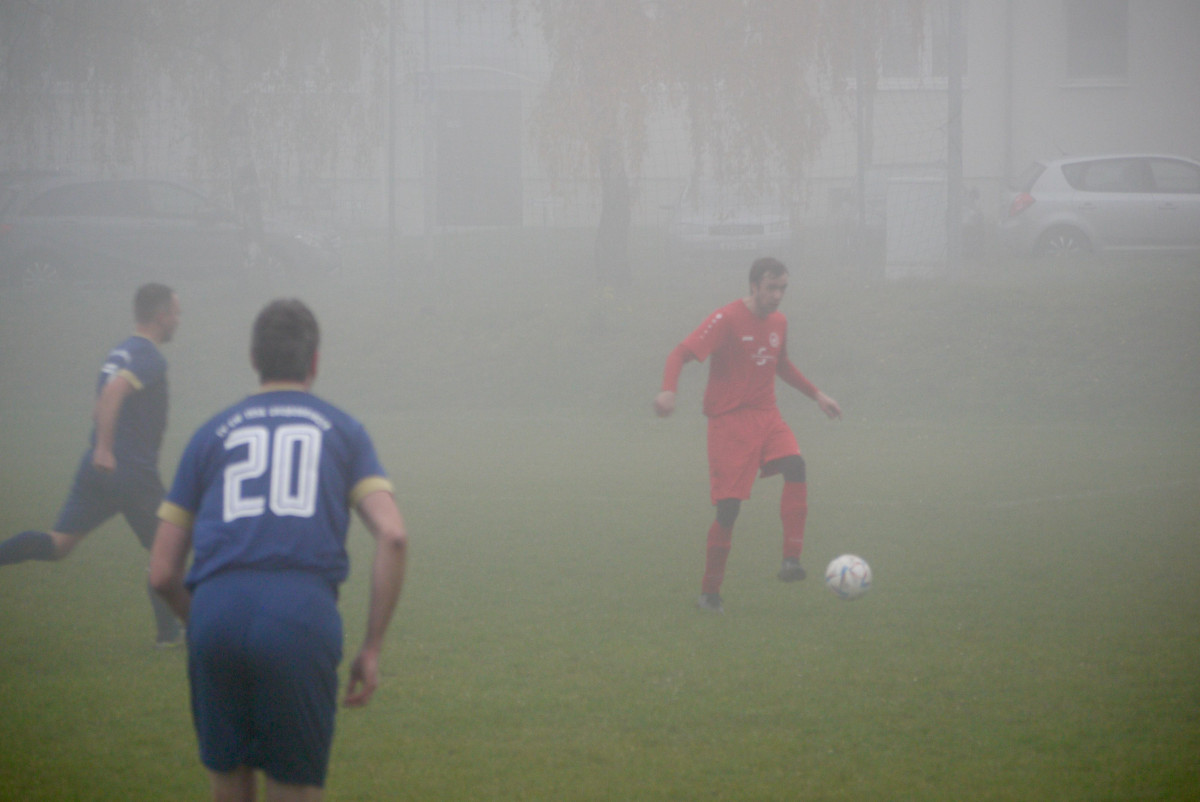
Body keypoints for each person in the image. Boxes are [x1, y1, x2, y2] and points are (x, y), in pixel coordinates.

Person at [150, 298, 408, 802]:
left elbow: (161, 572)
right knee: (293, 787)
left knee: (229, 781)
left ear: (254, 359)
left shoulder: (209, 436)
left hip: (216, 612)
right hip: (300, 615)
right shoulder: (344, 431)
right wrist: (372, 647)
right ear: (314, 362)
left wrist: (200, 617)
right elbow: (394, 536)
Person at [654, 257, 841, 613]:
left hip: (766, 415)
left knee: (796, 466)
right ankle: (709, 594)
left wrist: (817, 395)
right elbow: (679, 354)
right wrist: (668, 391)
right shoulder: (726, 319)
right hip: (728, 423)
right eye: (771, 287)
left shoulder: (779, 322)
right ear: (753, 285)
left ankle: (791, 561)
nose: (777, 295)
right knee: (729, 510)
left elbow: (780, 363)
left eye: (783, 288)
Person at [0, 282, 184, 645]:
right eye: (176, 313)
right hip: (127, 470)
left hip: (98, 470)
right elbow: (114, 393)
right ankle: (169, 636)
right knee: (168, 550)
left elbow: (100, 400)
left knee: (58, 545)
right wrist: (106, 448)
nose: (179, 320)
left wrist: (99, 451)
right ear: (162, 317)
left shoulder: (119, 352)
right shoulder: (149, 356)